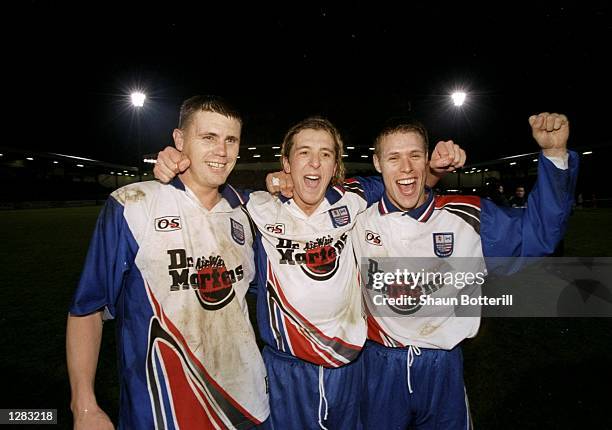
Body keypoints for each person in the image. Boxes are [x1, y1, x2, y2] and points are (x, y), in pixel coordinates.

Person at [154, 116, 465, 429]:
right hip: (285, 373)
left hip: (348, 370)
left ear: (335, 166)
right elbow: (201, 196)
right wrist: (177, 166)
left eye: (326, 154)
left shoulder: (355, 198)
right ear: (286, 163)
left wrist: (436, 168)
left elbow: (406, 182)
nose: (315, 163)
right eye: (304, 153)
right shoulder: (255, 206)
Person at [352, 112, 578, 429]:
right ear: (377, 163)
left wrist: (554, 155)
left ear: (427, 160)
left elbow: (539, 237)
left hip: (442, 366)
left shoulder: (467, 215)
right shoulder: (356, 219)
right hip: (379, 366)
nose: (405, 167)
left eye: (415, 156)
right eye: (394, 157)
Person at [66, 96, 269, 430]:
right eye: (208, 138)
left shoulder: (248, 212)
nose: (222, 151)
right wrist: (84, 404)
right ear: (179, 140)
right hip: (162, 411)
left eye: (230, 140)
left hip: (245, 407)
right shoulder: (133, 205)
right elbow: (88, 308)